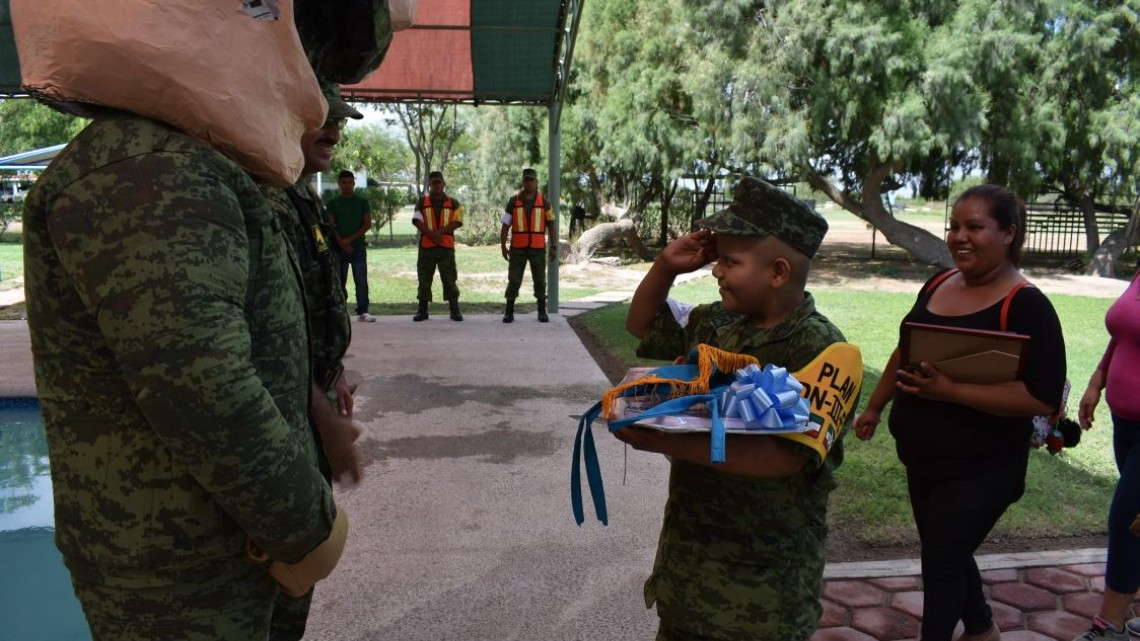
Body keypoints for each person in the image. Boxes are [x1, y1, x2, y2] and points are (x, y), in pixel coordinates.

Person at [23, 115, 339, 636]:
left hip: (227, 549)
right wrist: (309, 526)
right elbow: (202, 389)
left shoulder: (203, 162)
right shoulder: (148, 168)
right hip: (177, 569)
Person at [620, 176, 844, 640]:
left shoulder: (821, 349)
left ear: (778, 272)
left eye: (730, 261)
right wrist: (665, 266)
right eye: (717, 258)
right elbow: (640, 324)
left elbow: (784, 457)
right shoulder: (716, 322)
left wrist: (670, 440)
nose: (716, 271)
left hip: (763, 596)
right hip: (689, 571)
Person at [853, 184, 1066, 641]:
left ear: (1008, 233)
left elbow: (1041, 397)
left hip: (984, 469)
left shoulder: (1027, 305)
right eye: (953, 226)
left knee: (944, 559)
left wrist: (951, 390)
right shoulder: (937, 283)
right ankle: (983, 629)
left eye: (974, 227)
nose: (958, 237)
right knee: (943, 549)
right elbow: (904, 347)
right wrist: (875, 404)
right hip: (924, 459)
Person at [262, 83, 365, 641]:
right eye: (320, 118)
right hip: (282, 421)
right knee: (277, 582)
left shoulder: (303, 195)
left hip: (310, 402)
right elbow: (260, 341)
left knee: (298, 578)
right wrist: (323, 416)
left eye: (338, 121)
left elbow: (310, 309)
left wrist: (334, 372)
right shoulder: (262, 199)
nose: (333, 131)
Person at [1070, 267, 1140, 641]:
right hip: (1125, 422)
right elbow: (1122, 335)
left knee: (1127, 520)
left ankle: (1109, 627)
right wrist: (1097, 381)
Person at [500, 167, 557, 323]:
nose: (529, 182)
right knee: (514, 280)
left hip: (538, 248)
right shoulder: (513, 201)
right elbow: (505, 225)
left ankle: (541, 311)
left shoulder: (544, 202)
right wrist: (503, 245)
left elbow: (551, 225)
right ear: (522, 182)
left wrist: (554, 247)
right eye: (526, 180)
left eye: (532, 180)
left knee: (539, 280)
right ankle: (509, 311)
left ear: (536, 182)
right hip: (517, 248)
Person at [411, 170, 465, 321]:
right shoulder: (421, 202)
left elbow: (459, 221)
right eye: (433, 183)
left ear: (443, 184)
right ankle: (422, 311)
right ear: (429, 185)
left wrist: (440, 232)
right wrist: (430, 233)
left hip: (446, 247)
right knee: (424, 279)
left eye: (439, 183)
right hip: (427, 247)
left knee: (449, 279)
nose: (437, 186)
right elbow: (416, 220)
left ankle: (455, 310)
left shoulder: (454, 202)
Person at [326, 169, 376, 322]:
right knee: (339, 281)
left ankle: (363, 311)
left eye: (349, 182)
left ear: (354, 183)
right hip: (338, 248)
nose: (347, 185)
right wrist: (341, 242)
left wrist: (350, 240)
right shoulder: (332, 203)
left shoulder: (362, 202)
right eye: (344, 183)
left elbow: (367, 224)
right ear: (339, 184)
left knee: (360, 280)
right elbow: (331, 225)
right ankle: (340, 310)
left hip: (358, 247)